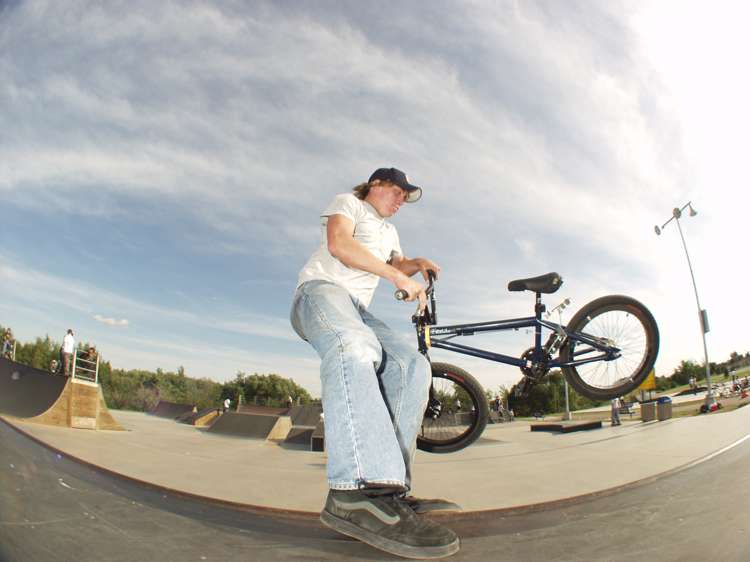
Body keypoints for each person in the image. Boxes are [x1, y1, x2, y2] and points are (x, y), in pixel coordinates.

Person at [290, 168, 460, 559]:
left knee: (411, 367)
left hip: (358, 309)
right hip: (321, 293)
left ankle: (388, 490)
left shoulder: (390, 232)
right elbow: (339, 245)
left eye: (406, 197)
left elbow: (398, 263)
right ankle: (354, 492)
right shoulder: (349, 204)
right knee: (355, 346)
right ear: (375, 186)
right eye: (397, 192)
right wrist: (396, 278)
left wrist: (416, 263)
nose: (401, 201)